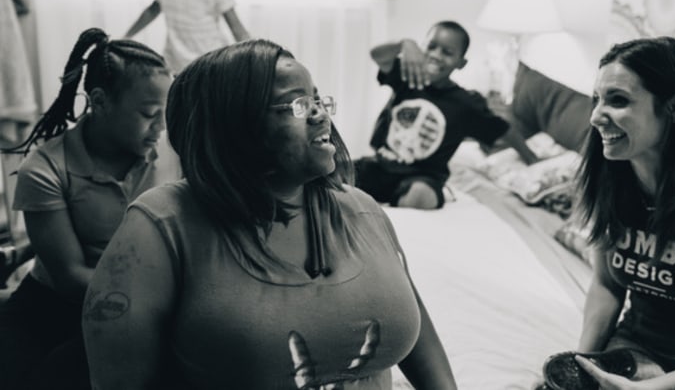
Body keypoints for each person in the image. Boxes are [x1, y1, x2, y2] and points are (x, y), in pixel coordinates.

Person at [82, 39, 458, 389]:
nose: (320, 116)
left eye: (317, 100)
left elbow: (423, 344)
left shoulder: (363, 210)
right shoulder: (161, 226)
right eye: (296, 104)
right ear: (232, 124)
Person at [540, 37, 675, 390]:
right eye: (597, 99)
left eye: (618, 100)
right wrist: (582, 365)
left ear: (674, 107)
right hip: (637, 351)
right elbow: (606, 284)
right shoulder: (607, 178)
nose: (596, 116)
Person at [0, 28, 172, 389]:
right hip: (56, 306)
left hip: (148, 303)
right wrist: (161, 302)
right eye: (149, 113)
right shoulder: (45, 168)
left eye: (165, 113)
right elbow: (70, 275)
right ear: (99, 100)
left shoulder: (173, 154)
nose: (161, 126)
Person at [354, 20, 536, 210]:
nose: (436, 56)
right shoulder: (407, 75)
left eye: (447, 53)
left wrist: (531, 158)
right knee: (334, 171)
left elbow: (503, 130)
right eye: (431, 47)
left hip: (422, 177)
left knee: (420, 195)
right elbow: (377, 55)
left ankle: (397, 210)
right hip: (380, 165)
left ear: (461, 63)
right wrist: (404, 44)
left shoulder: (466, 104)